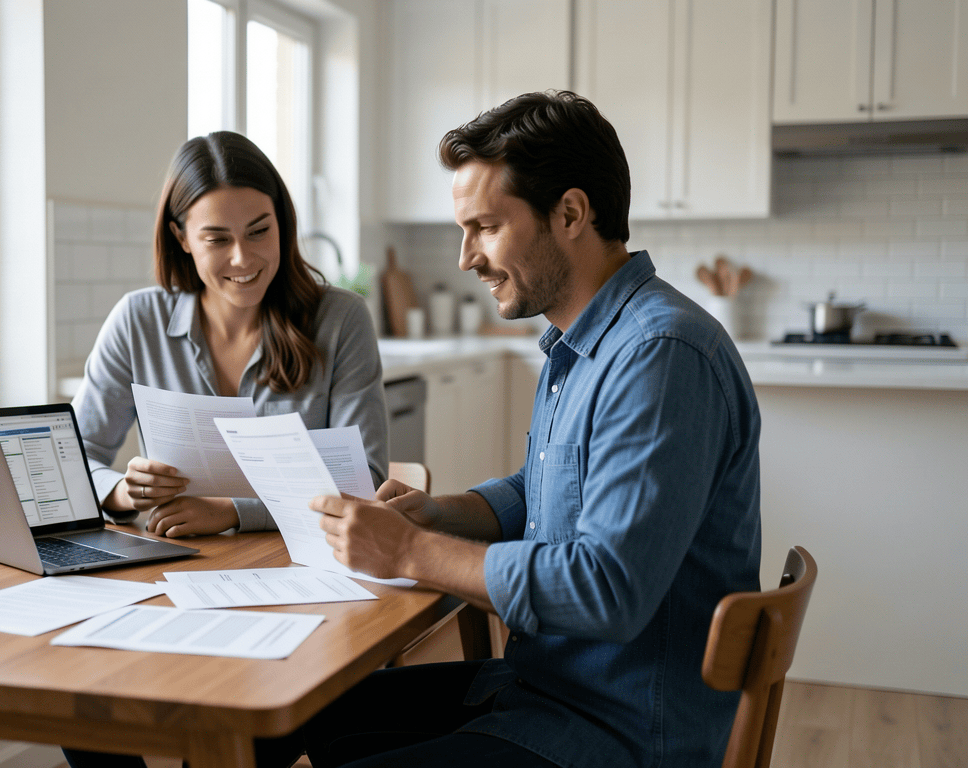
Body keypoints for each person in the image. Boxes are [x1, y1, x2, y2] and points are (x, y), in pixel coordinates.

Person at [288, 90, 763, 768]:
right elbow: (548, 486)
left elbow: (607, 589)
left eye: (484, 227)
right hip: (550, 688)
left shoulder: (662, 354)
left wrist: (409, 553)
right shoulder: (581, 341)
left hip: (620, 730)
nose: (464, 257)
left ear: (570, 213)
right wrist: (436, 514)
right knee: (327, 713)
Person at [61, 131, 388, 768]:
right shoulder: (138, 320)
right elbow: (73, 452)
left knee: (248, 730)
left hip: (299, 590)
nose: (244, 257)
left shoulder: (340, 320)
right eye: (217, 238)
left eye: (260, 230)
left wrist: (231, 510)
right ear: (182, 236)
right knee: (82, 697)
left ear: (283, 226)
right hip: (169, 584)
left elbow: (366, 479)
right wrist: (122, 491)